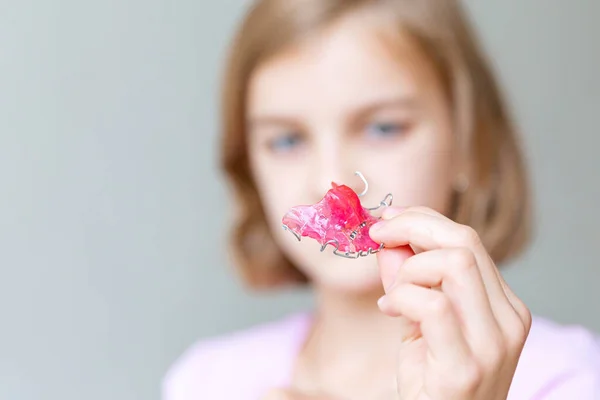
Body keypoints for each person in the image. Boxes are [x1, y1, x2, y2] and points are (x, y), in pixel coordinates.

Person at [162, 0, 600, 398]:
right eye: (287, 140)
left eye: (383, 128)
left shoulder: (565, 377)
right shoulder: (206, 382)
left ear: (469, 144)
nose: (329, 180)